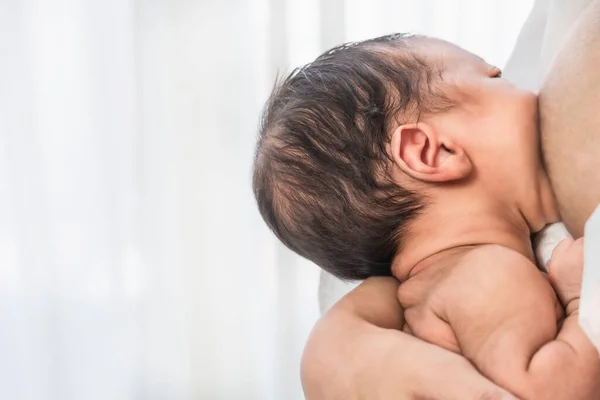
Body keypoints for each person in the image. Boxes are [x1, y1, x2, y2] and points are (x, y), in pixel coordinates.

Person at [300, 0, 600, 398]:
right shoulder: (487, 274)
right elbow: (552, 390)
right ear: (433, 152)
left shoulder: (434, 292)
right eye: (496, 77)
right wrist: (582, 298)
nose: (532, 91)